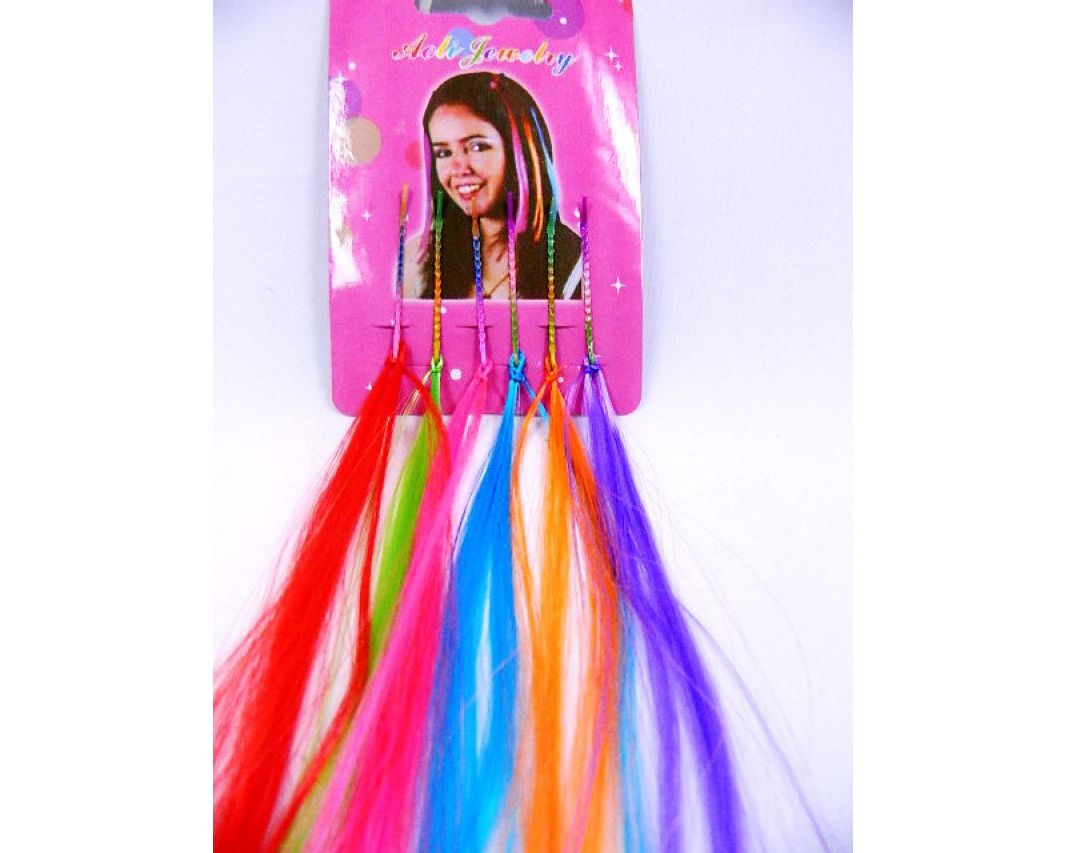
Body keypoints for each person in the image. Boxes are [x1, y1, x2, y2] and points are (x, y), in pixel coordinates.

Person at [403, 72, 581, 300]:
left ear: (522, 152)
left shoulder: (576, 266)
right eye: (443, 153)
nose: (458, 169)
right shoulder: (419, 260)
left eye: (477, 147)